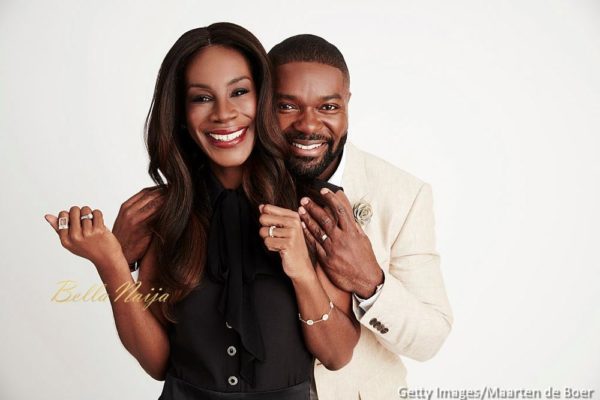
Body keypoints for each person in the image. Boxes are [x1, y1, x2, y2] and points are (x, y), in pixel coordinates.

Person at [115, 33, 453, 400]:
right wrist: (119, 261)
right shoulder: (196, 201)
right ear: (263, 103)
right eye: (287, 106)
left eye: (328, 107)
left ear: (347, 103)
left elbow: (430, 337)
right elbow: (162, 352)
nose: (308, 126)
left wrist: (369, 280)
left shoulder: (402, 195)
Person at [44, 23, 360, 400]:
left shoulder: (318, 205)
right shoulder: (162, 212)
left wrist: (302, 272)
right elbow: (158, 363)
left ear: (262, 99)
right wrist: (111, 263)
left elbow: (338, 355)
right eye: (201, 98)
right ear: (180, 113)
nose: (224, 114)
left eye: (239, 92)